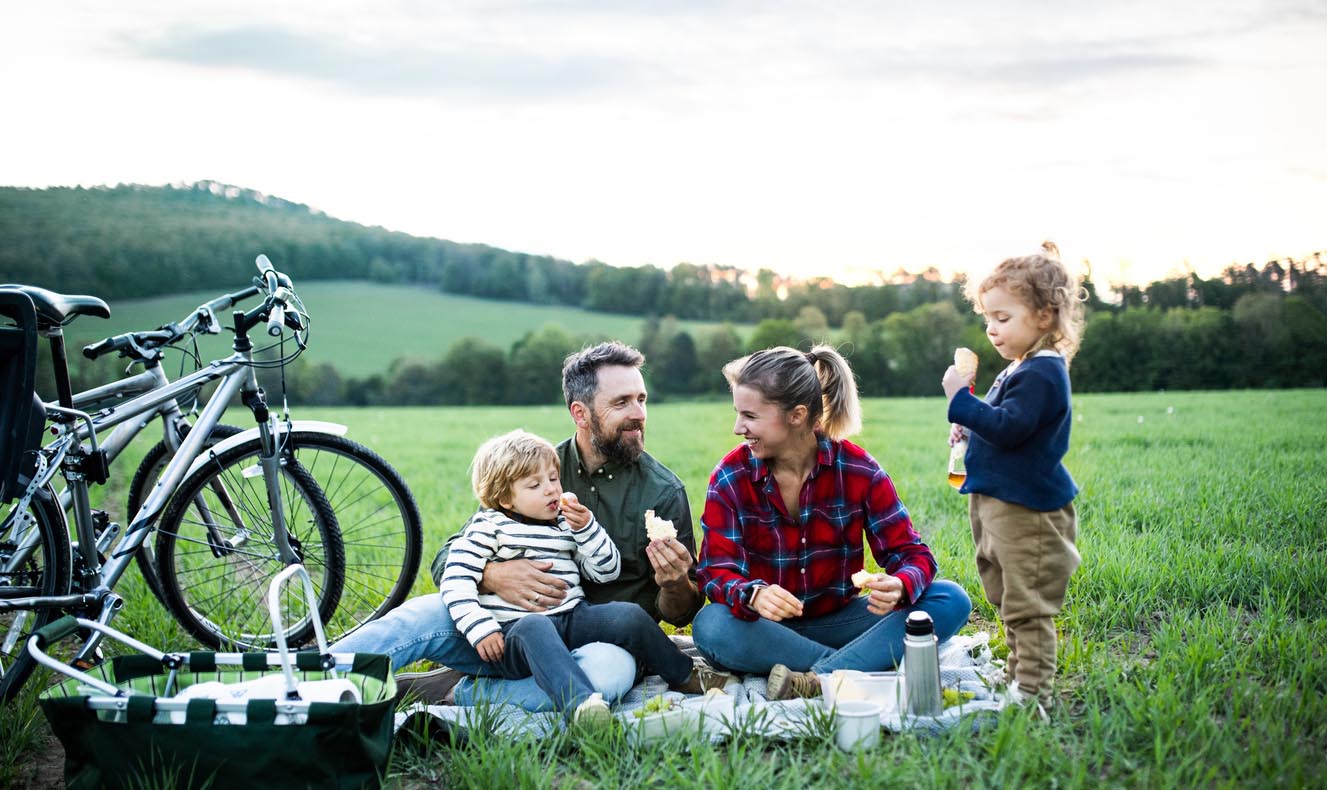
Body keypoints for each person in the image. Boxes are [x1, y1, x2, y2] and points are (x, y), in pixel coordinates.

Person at [331, 341, 707, 711]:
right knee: (418, 616)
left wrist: (674, 582)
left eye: (641, 399)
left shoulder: (663, 491)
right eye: (622, 402)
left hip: (600, 639)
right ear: (581, 413)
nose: (638, 413)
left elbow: (681, 613)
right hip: (506, 628)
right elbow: (453, 554)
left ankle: (459, 693)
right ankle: (303, 677)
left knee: (605, 679)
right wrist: (492, 576)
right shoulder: (537, 469)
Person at [692, 345, 972, 699]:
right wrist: (754, 594)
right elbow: (716, 571)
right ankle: (855, 670)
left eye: (749, 416)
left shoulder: (858, 469)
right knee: (711, 626)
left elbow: (911, 553)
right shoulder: (730, 477)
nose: (738, 428)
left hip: (843, 623)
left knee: (950, 599)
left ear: (796, 415)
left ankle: (818, 678)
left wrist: (901, 583)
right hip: (765, 631)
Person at [439, 429, 727, 723]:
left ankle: (685, 674)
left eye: (553, 478)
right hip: (516, 635)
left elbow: (605, 571)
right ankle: (582, 706)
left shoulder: (563, 523)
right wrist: (481, 628)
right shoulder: (488, 527)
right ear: (505, 499)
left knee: (628, 615)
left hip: (571, 617)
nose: (551, 489)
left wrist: (587, 528)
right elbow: (455, 580)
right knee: (535, 626)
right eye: (535, 485)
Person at [941, 241, 1083, 707]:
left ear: (1044, 316)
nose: (992, 330)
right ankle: (1017, 674)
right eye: (988, 318)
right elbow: (1000, 426)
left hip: (1027, 510)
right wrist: (968, 429)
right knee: (1002, 592)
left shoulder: (1043, 372)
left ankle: (1033, 693)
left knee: (1027, 603)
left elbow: (1011, 426)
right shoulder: (1021, 368)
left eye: (1003, 318)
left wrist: (961, 401)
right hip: (996, 500)